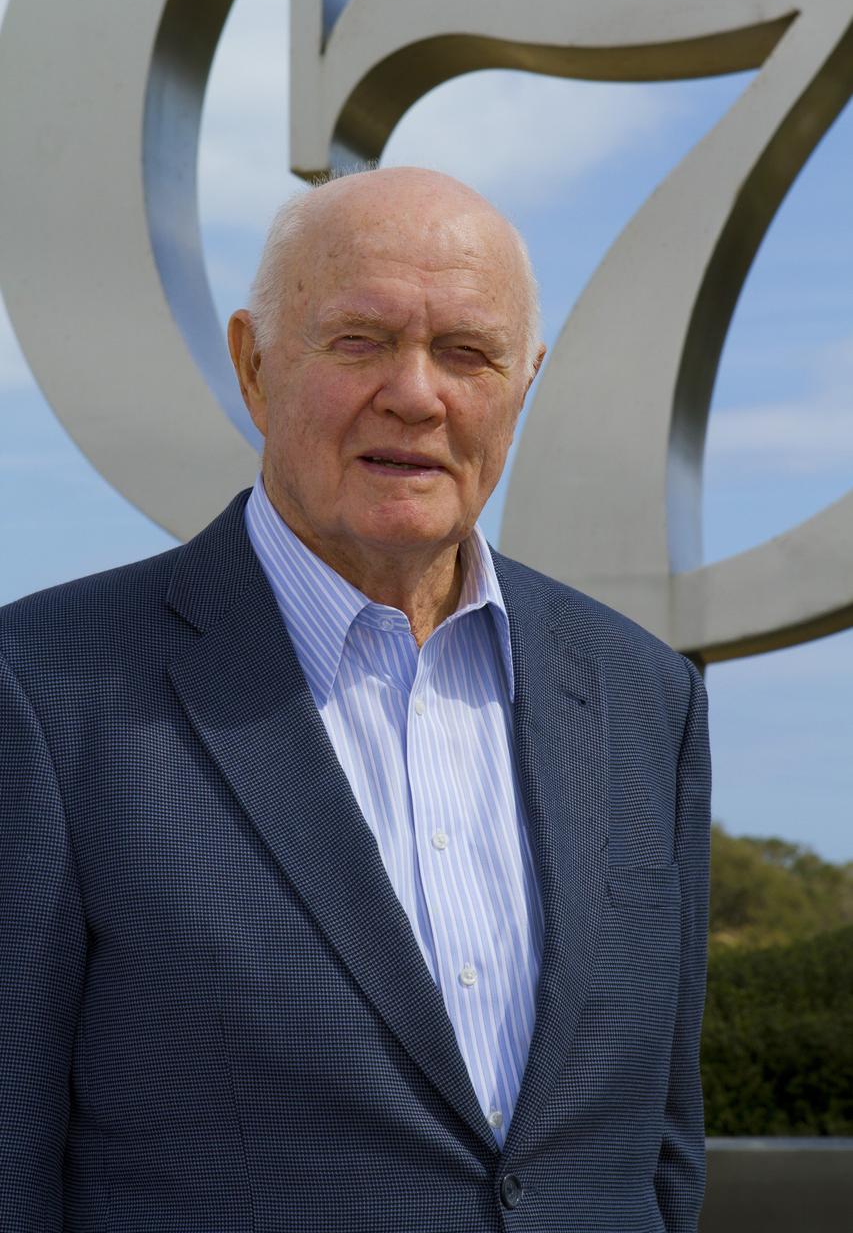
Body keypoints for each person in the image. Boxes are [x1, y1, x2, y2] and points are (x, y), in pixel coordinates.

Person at [0, 167, 710, 1231]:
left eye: (466, 352)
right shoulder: (46, 690)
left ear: (524, 383)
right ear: (254, 366)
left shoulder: (646, 695)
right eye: (360, 341)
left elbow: (655, 1147)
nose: (416, 394)